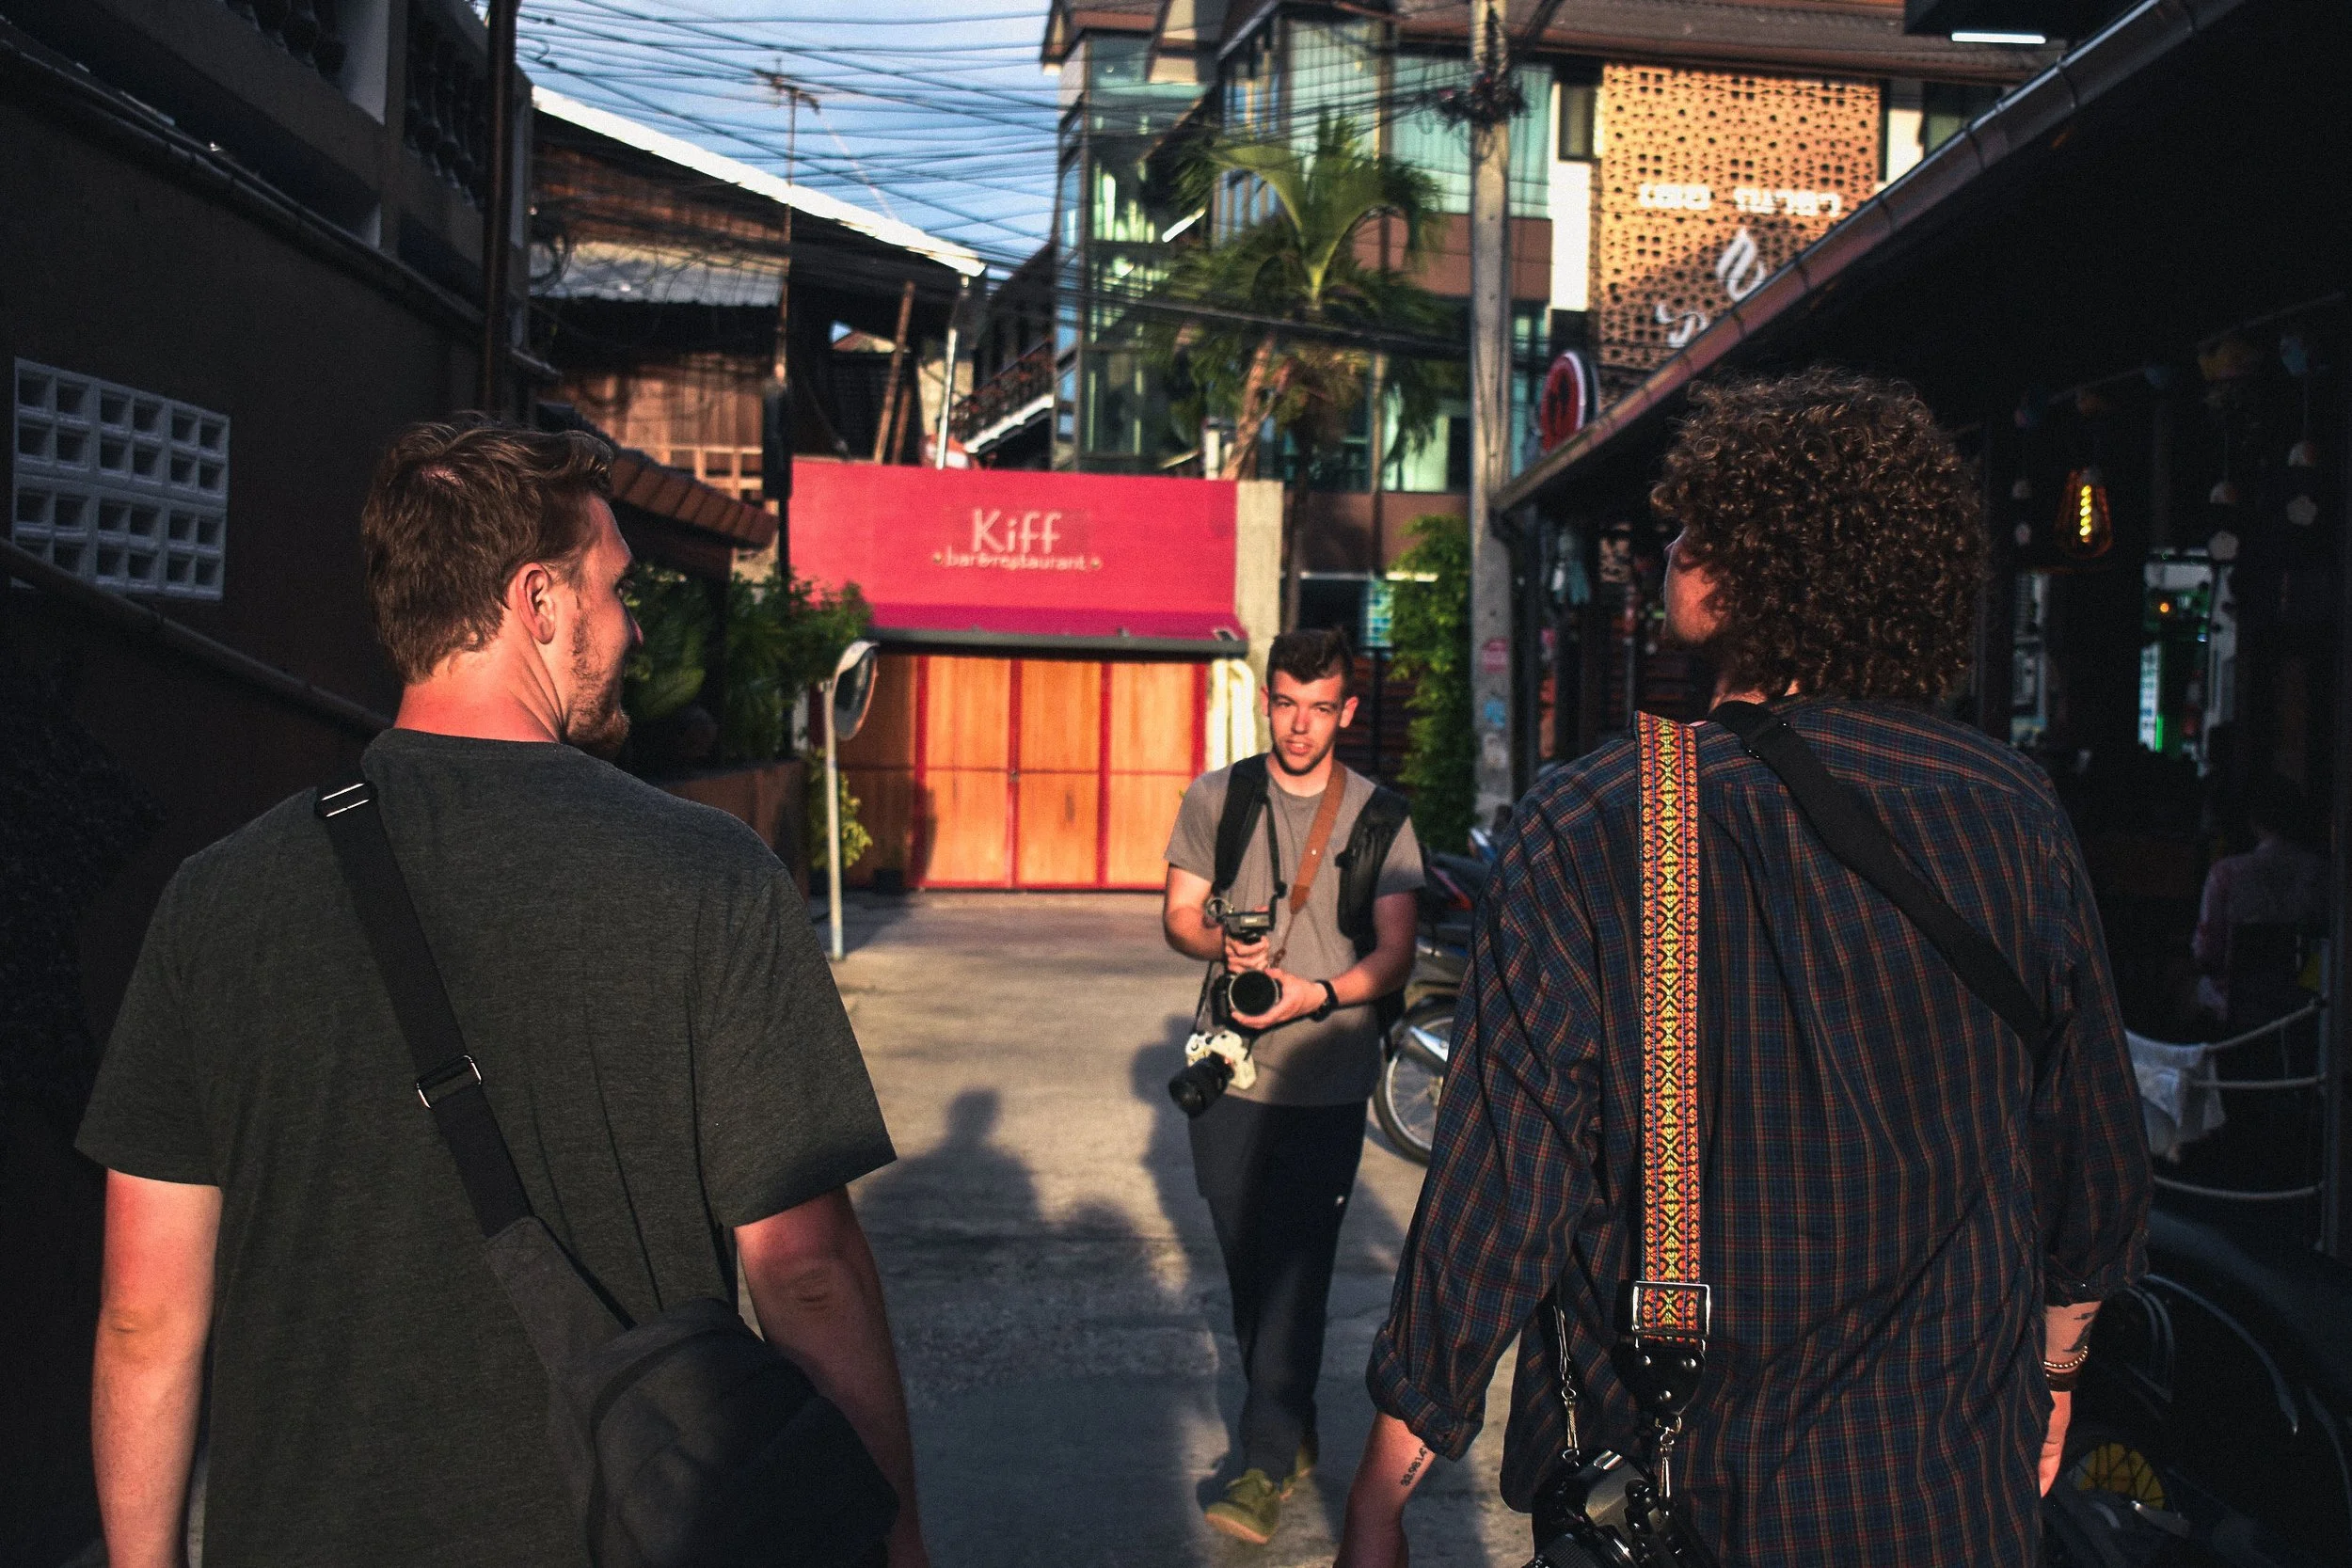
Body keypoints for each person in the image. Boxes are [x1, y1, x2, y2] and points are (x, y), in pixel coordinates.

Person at [1336, 371, 2152, 1567]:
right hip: (1949, 1497)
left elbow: (1503, 1194)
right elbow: (2093, 1166)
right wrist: (2058, 1368)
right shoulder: (2012, 811)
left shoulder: (1603, 823)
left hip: (1692, 1497)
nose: (1670, 551)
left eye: (1686, 529)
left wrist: (1383, 1487)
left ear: (1735, 573)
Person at [79, 420, 928, 1568]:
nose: (631, 628)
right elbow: (807, 1268)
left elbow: (145, 1313)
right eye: (615, 586)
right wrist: (893, 1535)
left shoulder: (215, 897)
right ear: (539, 600)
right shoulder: (706, 874)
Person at [1161, 627, 1423, 1545]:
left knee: (1297, 1269)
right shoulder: (1217, 797)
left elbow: (1393, 954)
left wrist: (1320, 991)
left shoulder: (1382, 816)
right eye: (1285, 702)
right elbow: (1177, 917)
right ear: (1264, 700)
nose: (1301, 723)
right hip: (1228, 1069)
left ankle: (1265, 1457)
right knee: (1244, 1260)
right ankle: (1291, 1415)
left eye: (1320, 705)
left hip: (1327, 1072)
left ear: (1346, 708)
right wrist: (1219, 947)